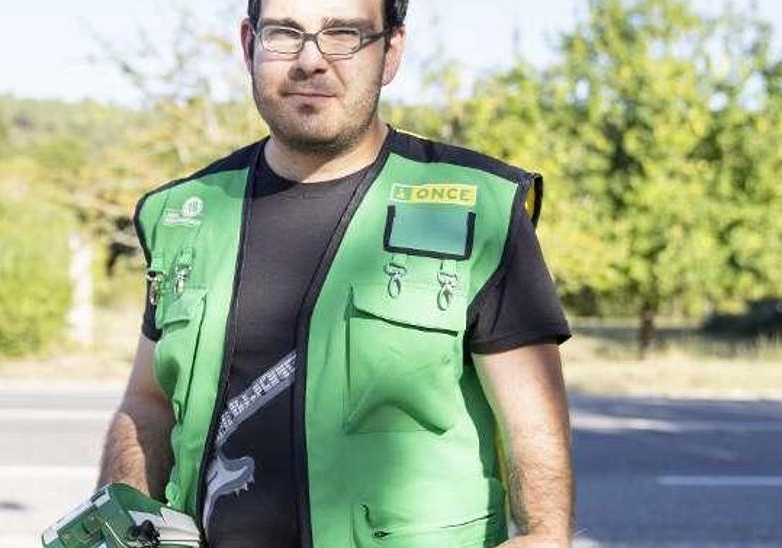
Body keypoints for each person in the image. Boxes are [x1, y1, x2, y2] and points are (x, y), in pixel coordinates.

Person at [96, 0, 574, 546]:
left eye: (344, 34)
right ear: (250, 45)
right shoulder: (185, 213)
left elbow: (532, 421)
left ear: (390, 51)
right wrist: (119, 520)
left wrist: (543, 535)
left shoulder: (477, 209)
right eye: (285, 33)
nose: (311, 60)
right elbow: (148, 403)